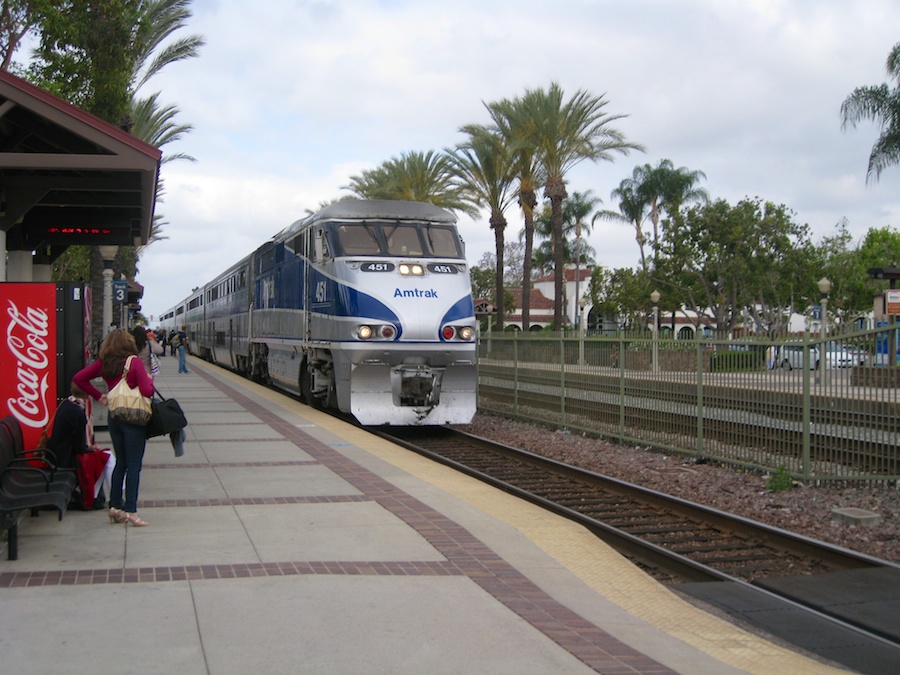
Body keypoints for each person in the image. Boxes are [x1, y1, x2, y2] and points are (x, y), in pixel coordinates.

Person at [74, 327, 155, 527]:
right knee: (134, 465)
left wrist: (98, 395)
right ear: (129, 344)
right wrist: (149, 381)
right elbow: (147, 391)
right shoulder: (134, 363)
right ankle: (131, 511)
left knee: (121, 463)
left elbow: (79, 379)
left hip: (114, 417)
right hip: (133, 419)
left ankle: (115, 507)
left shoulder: (104, 363)